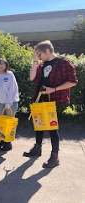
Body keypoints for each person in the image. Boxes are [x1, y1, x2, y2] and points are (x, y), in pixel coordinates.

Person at [23, 40, 78, 168]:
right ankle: (37, 149)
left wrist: (53, 89)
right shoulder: (42, 65)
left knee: (52, 128)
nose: (39, 57)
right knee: (38, 124)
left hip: (54, 99)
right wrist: (35, 61)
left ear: (47, 51)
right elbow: (32, 77)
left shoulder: (63, 62)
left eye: (39, 55)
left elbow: (73, 81)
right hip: (39, 98)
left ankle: (55, 157)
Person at [0, 58, 19, 151]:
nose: (0, 66)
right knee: (1, 124)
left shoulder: (9, 75)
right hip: (0, 103)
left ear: (6, 66)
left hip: (11, 103)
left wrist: (8, 103)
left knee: (9, 123)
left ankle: (8, 143)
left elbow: (13, 90)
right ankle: (2, 140)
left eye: (3, 64)